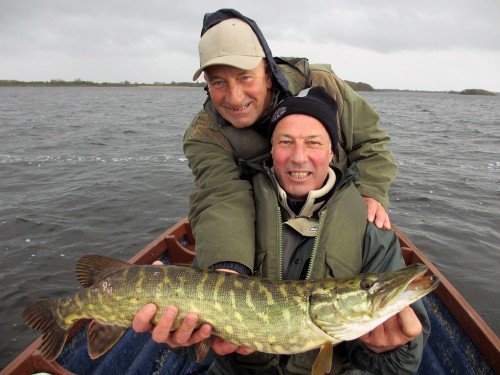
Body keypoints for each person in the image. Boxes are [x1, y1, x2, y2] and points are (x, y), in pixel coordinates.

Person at [134, 7, 399, 357]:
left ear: (269, 73)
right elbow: (221, 196)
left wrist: (370, 193)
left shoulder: (324, 86)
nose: (233, 96)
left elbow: (371, 143)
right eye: (218, 82)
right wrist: (227, 270)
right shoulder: (205, 134)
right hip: (261, 212)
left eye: (245, 77)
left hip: (336, 200)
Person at [135, 87, 429, 374]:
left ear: (331, 152)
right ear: (272, 151)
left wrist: (387, 350)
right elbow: (200, 320)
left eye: (313, 143)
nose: (298, 157)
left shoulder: (371, 230)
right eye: (286, 142)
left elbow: (402, 366)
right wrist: (185, 339)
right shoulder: (234, 216)